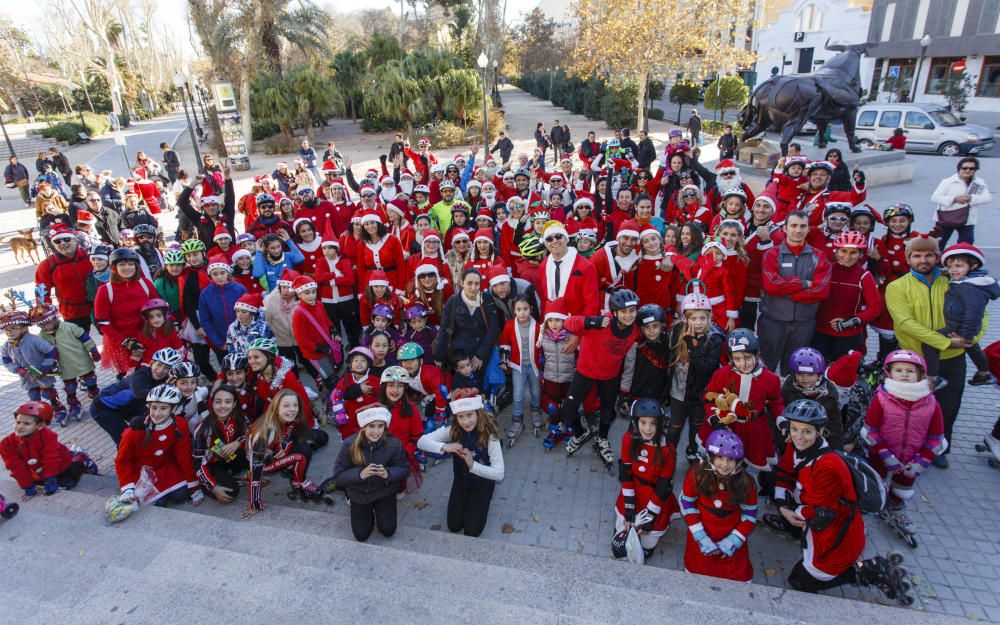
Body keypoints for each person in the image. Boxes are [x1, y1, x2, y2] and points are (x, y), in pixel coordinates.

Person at [885, 235, 982, 468]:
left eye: (928, 255)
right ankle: (905, 446)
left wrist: (970, 339)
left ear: (938, 257)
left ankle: (939, 447)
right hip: (913, 358)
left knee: (947, 407)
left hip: (953, 358)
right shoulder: (897, 287)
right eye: (917, 255)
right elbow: (905, 322)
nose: (923, 260)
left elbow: (979, 314)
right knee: (908, 407)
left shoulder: (957, 282)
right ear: (908, 258)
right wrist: (944, 342)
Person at [863, 350, 946, 541]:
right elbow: (870, 430)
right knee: (875, 482)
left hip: (913, 456)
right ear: (889, 373)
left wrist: (921, 462)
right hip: (881, 454)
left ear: (920, 375)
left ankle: (896, 506)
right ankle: (869, 507)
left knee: (903, 485)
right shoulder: (881, 397)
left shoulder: (931, 402)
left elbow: (937, 437)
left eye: (910, 371)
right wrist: (886, 456)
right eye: (898, 370)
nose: (904, 374)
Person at [559, 289, 640, 466]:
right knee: (568, 410)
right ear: (615, 312)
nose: (628, 315)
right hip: (585, 371)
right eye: (624, 312)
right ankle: (581, 434)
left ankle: (602, 438)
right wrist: (589, 321)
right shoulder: (602, 322)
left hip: (609, 375)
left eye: (632, 311)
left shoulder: (635, 330)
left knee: (608, 412)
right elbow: (568, 323)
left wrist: (625, 391)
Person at [418, 388, 504, 537]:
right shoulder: (454, 430)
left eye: (469, 415)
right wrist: (445, 446)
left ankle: (484, 499)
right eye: (460, 416)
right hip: (461, 481)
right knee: (454, 525)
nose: (465, 421)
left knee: (472, 531)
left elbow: (499, 474)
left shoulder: (490, 435)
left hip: (482, 483)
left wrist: (473, 465)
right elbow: (421, 442)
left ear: (477, 412)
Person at [758, 211, 831, 374]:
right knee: (764, 369)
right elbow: (771, 285)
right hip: (773, 322)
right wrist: (804, 283)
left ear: (808, 230)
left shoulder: (819, 257)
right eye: (794, 226)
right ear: (785, 228)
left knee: (795, 371)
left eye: (803, 226)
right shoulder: (772, 254)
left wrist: (790, 294)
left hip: (803, 324)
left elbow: (821, 291)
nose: (798, 230)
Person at [701, 328, 784, 471]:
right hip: (726, 426)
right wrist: (713, 418)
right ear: (731, 358)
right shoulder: (722, 374)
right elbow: (708, 398)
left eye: (748, 357)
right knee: (722, 461)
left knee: (747, 461)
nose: (744, 363)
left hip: (754, 428)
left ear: (757, 355)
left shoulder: (770, 379)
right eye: (737, 359)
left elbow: (776, 403)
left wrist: (783, 422)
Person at [680, 429, 757, 581]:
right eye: (720, 457)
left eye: (731, 459)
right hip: (701, 538)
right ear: (710, 457)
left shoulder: (746, 482)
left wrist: (733, 541)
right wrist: (701, 537)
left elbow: (750, 515)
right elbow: (687, 503)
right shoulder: (696, 474)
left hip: (731, 540)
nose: (725, 464)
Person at [613, 398, 680, 560]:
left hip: (655, 495)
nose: (648, 429)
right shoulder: (629, 439)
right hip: (633, 489)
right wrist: (629, 511)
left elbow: (663, 486)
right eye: (643, 422)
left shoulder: (667, 450)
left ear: (660, 424)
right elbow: (626, 475)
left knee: (646, 547)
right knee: (622, 533)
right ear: (636, 422)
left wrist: (649, 517)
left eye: (653, 423)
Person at [924, 243, 998, 388]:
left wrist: (965, 336)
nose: (953, 270)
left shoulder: (970, 287)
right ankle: (983, 373)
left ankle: (933, 378)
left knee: (930, 343)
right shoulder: (967, 281)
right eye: (950, 267)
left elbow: (974, 312)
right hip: (962, 324)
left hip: (959, 325)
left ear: (974, 266)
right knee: (973, 348)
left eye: (958, 266)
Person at [115, 384, 201, 507]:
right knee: (159, 503)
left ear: (174, 408)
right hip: (140, 473)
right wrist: (127, 488)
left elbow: (184, 456)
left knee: (181, 496)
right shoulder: (133, 432)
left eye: (163, 408)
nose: (157, 413)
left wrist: (194, 486)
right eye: (154, 407)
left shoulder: (179, 424)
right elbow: (122, 461)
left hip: (165, 468)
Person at [333, 403, 409, 541]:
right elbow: (338, 476)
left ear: (385, 427)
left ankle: (380, 511)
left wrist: (388, 474)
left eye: (380, 426)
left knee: (388, 530)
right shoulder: (349, 444)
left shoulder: (394, 444)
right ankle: (364, 511)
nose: (376, 431)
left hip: (384, 492)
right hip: (359, 494)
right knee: (361, 535)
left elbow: (404, 469)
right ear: (363, 427)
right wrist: (360, 474)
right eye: (371, 426)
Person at [664, 290, 724, 463]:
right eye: (693, 318)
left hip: (700, 394)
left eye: (702, 318)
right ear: (685, 318)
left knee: (697, 425)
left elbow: (706, 367)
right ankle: (669, 453)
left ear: (709, 317)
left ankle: (692, 450)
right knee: (675, 426)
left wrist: (692, 348)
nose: (698, 323)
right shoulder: (677, 331)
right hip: (679, 391)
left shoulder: (715, 338)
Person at [246, 389, 326, 516]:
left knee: (321, 437)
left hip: (278, 448)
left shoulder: (289, 419)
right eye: (286, 405)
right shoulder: (264, 431)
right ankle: (298, 483)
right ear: (276, 408)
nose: (292, 409)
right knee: (302, 455)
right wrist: (255, 503)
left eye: (295, 405)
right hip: (265, 463)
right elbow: (255, 471)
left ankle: (289, 466)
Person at [1, 401, 99, 499]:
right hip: (36, 470)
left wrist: (49, 479)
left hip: (60, 462)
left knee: (68, 483)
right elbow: (15, 467)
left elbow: (50, 459)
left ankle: (80, 458)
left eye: (26, 423)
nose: (19, 427)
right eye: (18, 422)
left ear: (40, 426)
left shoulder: (48, 436)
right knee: (39, 484)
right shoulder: (6, 444)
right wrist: (27, 485)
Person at [811, 231, 882, 360]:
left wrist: (850, 322)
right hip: (820, 331)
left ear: (860, 254)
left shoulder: (864, 276)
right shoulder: (826, 270)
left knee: (841, 373)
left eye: (853, 253)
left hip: (848, 333)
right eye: (843, 251)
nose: (847, 257)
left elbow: (875, 308)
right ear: (836, 251)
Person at [89, 347, 181, 444]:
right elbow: (141, 394)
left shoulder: (164, 380)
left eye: (167, 368)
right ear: (152, 363)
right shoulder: (140, 375)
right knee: (125, 441)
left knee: (150, 428)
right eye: (159, 365)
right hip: (103, 407)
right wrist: (167, 390)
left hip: (128, 406)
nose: (161, 370)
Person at [32, 302, 101, 424]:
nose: (45, 327)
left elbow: (84, 337)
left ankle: (94, 391)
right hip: (65, 367)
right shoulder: (41, 336)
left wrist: (93, 350)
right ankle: (74, 403)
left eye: (47, 323)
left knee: (90, 379)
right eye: (41, 325)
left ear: (54, 318)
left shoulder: (69, 327)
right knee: (70, 387)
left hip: (81, 360)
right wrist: (48, 366)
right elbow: (44, 352)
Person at [433, 269, 499, 388]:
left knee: (482, 388)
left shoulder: (487, 299)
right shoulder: (453, 302)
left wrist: (481, 355)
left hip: (482, 353)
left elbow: (493, 328)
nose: (473, 287)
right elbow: (444, 330)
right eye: (469, 283)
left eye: (477, 283)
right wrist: (439, 356)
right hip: (460, 357)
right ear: (462, 283)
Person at [1, 309, 64, 421]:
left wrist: (44, 367)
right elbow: (5, 360)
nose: (10, 332)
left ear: (23, 327)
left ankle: (58, 407)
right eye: (6, 330)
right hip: (25, 374)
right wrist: (17, 370)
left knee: (48, 393)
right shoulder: (7, 345)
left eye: (14, 328)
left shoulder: (33, 340)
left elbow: (52, 351)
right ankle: (37, 413)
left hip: (41, 371)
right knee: (33, 395)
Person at [193, 384, 247, 505]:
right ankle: (202, 485)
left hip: (228, 456)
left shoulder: (237, 417)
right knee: (231, 492)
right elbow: (198, 462)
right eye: (218, 402)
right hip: (211, 463)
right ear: (211, 404)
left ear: (234, 404)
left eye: (228, 402)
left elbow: (250, 433)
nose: (223, 406)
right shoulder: (203, 429)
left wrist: (238, 443)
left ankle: (233, 473)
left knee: (258, 454)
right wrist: (213, 487)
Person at [498, 295, 541, 443]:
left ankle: (535, 411)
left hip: (534, 366)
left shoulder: (537, 326)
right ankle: (517, 420)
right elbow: (504, 343)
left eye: (525, 309)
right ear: (514, 311)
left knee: (536, 391)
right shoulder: (510, 325)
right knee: (518, 394)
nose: (522, 312)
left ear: (531, 309)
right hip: (518, 366)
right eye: (518, 309)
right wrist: (504, 360)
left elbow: (542, 346)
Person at [35, 226, 94, 331]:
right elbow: (42, 291)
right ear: (54, 245)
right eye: (58, 241)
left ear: (75, 240)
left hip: (98, 306)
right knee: (79, 344)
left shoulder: (90, 256)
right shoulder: (48, 264)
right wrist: (43, 312)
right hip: (73, 312)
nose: (62, 243)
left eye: (67, 239)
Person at [931, 157, 991, 246]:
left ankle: (961, 259)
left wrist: (971, 198)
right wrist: (954, 199)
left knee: (966, 243)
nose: (967, 170)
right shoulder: (948, 182)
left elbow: (987, 198)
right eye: (964, 168)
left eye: (971, 168)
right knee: (938, 244)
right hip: (946, 217)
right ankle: (938, 260)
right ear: (959, 168)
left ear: (975, 170)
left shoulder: (979, 182)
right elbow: (934, 197)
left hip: (967, 219)